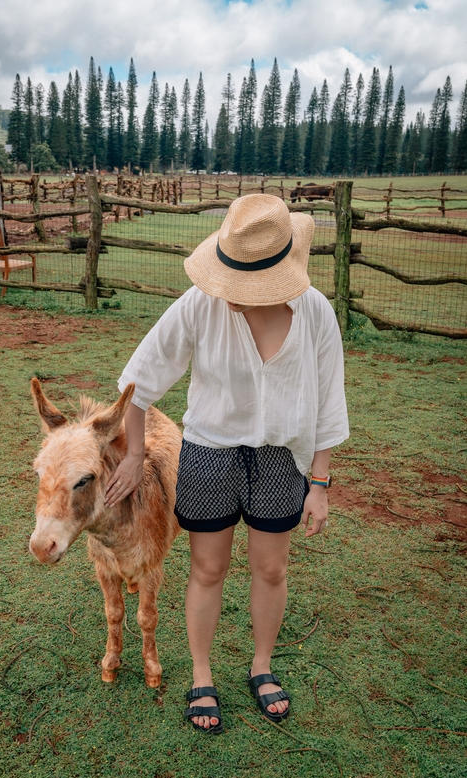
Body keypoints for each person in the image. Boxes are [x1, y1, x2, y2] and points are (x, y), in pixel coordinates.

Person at [104, 194, 349, 734]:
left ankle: (261, 665)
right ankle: (201, 673)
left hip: (281, 461)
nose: (230, 292)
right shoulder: (199, 303)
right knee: (208, 569)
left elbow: (330, 401)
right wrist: (138, 451)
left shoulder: (316, 314)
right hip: (209, 453)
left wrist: (321, 483)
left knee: (271, 568)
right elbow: (139, 381)